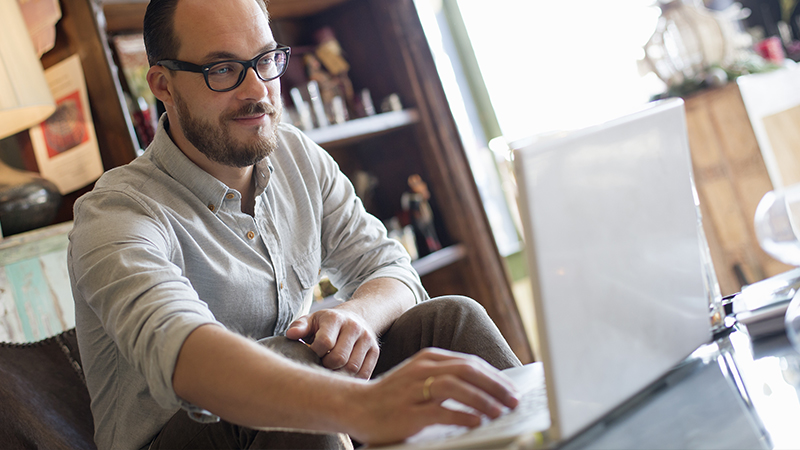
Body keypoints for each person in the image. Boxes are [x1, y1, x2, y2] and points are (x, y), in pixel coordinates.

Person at [67, 0, 521, 448]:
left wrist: (356, 317)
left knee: (453, 319)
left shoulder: (296, 155)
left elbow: (391, 268)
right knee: (297, 397)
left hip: (312, 408)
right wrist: (363, 407)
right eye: (223, 69)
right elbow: (185, 356)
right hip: (187, 433)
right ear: (162, 85)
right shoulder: (116, 215)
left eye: (266, 60)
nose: (258, 90)